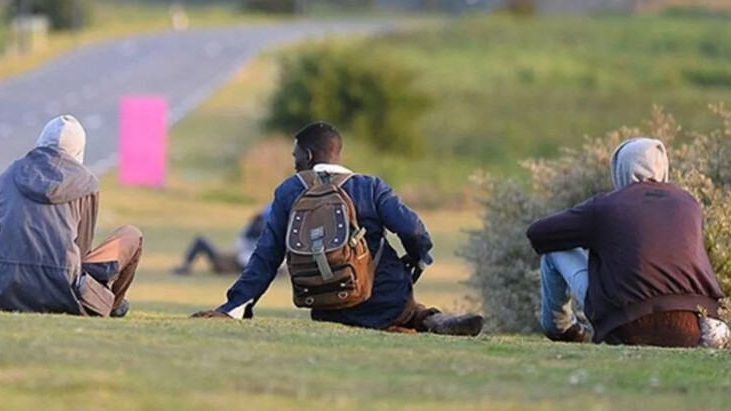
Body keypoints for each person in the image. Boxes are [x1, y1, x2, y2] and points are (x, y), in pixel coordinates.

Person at [192, 122, 484, 336]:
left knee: (386, 311)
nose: (294, 164)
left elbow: (266, 257)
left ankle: (419, 321)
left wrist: (234, 307)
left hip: (325, 306)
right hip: (384, 300)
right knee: (405, 305)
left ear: (307, 155)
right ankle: (427, 319)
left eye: (295, 157)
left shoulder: (289, 191)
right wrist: (418, 258)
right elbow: (414, 231)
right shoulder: (369, 186)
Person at [526, 138, 729, 347]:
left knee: (554, 251)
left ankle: (562, 330)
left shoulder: (605, 206)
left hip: (627, 327)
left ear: (620, 170)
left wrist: (591, 237)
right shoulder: (689, 204)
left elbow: (538, 234)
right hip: (691, 330)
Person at [0, 116, 143, 317]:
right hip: (63, 295)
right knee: (132, 235)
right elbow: (82, 249)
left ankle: (6, 280)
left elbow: (7, 230)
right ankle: (111, 304)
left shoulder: (9, 173)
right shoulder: (87, 183)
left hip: (3, 290)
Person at [172, 210, 267, 276]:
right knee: (201, 241)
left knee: (201, 241)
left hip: (230, 263)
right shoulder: (255, 238)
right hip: (230, 261)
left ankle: (185, 266)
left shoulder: (255, 239)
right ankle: (185, 266)